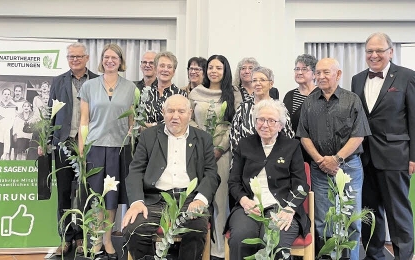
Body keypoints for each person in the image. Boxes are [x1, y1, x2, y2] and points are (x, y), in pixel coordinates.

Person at [351, 32, 415, 260]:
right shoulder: (357, 79)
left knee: (398, 213)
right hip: (364, 158)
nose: (374, 55)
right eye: (370, 51)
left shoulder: (407, 77)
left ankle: (404, 256)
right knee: (370, 213)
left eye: (379, 51)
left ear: (390, 52)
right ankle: (374, 256)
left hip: (396, 156)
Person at [122, 94, 220, 260]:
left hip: (189, 199)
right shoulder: (149, 136)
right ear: (163, 112)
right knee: (133, 230)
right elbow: (135, 171)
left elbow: (211, 173)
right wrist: (137, 202)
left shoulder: (203, 138)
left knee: (196, 229)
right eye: (171, 111)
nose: (175, 116)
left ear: (190, 113)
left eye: (181, 111)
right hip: (154, 199)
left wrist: (200, 200)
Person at [298, 58, 370, 260]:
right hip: (319, 169)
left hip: (350, 167)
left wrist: (336, 159)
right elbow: (304, 135)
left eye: (326, 72)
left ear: (338, 74)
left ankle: (353, 257)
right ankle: (327, 257)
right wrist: (321, 160)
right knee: (323, 220)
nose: (320, 76)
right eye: (318, 73)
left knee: (352, 219)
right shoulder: (309, 102)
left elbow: (359, 135)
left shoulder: (352, 99)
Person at [227, 99, 309, 260]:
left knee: (274, 241)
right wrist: (244, 200)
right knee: (240, 238)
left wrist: (289, 209)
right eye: (261, 119)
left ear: (281, 125)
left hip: (282, 208)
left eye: (271, 121)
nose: (265, 125)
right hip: (249, 207)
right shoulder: (245, 144)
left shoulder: (292, 146)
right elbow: (234, 181)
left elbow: (301, 184)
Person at [79, 43, 136, 258]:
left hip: (118, 149)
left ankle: (108, 239)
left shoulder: (130, 88)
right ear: (101, 60)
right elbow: (84, 120)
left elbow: (131, 122)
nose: (110, 61)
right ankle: (95, 239)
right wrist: (82, 148)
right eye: (106, 57)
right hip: (95, 147)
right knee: (96, 198)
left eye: (114, 57)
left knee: (111, 198)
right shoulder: (89, 86)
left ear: (121, 62)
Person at [46, 42, 98, 256]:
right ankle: (66, 238)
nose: (74, 60)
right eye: (70, 57)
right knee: (64, 193)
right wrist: (47, 141)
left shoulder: (97, 80)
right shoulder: (59, 81)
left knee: (88, 193)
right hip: (64, 144)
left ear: (87, 58)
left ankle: (83, 237)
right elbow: (50, 111)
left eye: (78, 57)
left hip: (91, 143)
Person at [188, 54, 242, 260]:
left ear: (225, 70)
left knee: (220, 202)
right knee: (198, 199)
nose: (214, 71)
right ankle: (200, 249)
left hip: (222, 155)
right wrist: (202, 145)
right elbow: (189, 120)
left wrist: (219, 148)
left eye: (218, 68)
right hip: (197, 153)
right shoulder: (195, 92)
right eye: (210, 67)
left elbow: (234, 124)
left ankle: (219, 251)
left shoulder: (233, 93)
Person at [230, 66, 294, 153]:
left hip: (275, 159)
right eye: (254, 80)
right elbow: (234, 137)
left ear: (271, 84)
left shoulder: (279, 108)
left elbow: (288, 137)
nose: (258, 83)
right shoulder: (242, 108)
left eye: (262, 80)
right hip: (246, 160)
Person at [140, 51, 187, 127]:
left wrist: (151, 125)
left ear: (173, 72)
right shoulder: (146, 93)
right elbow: (139, 118)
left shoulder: (181, 94)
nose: (165, 70)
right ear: (155, 69)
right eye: (162, 66)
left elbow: (178, 120)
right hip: (146, 137)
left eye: (169, 67)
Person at [283, 54, 318, 135]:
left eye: (304, 69)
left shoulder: (320, 94)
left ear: (314, 74)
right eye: (297, 69)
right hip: (291, 144)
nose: (299, 72)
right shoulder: (289, 95)